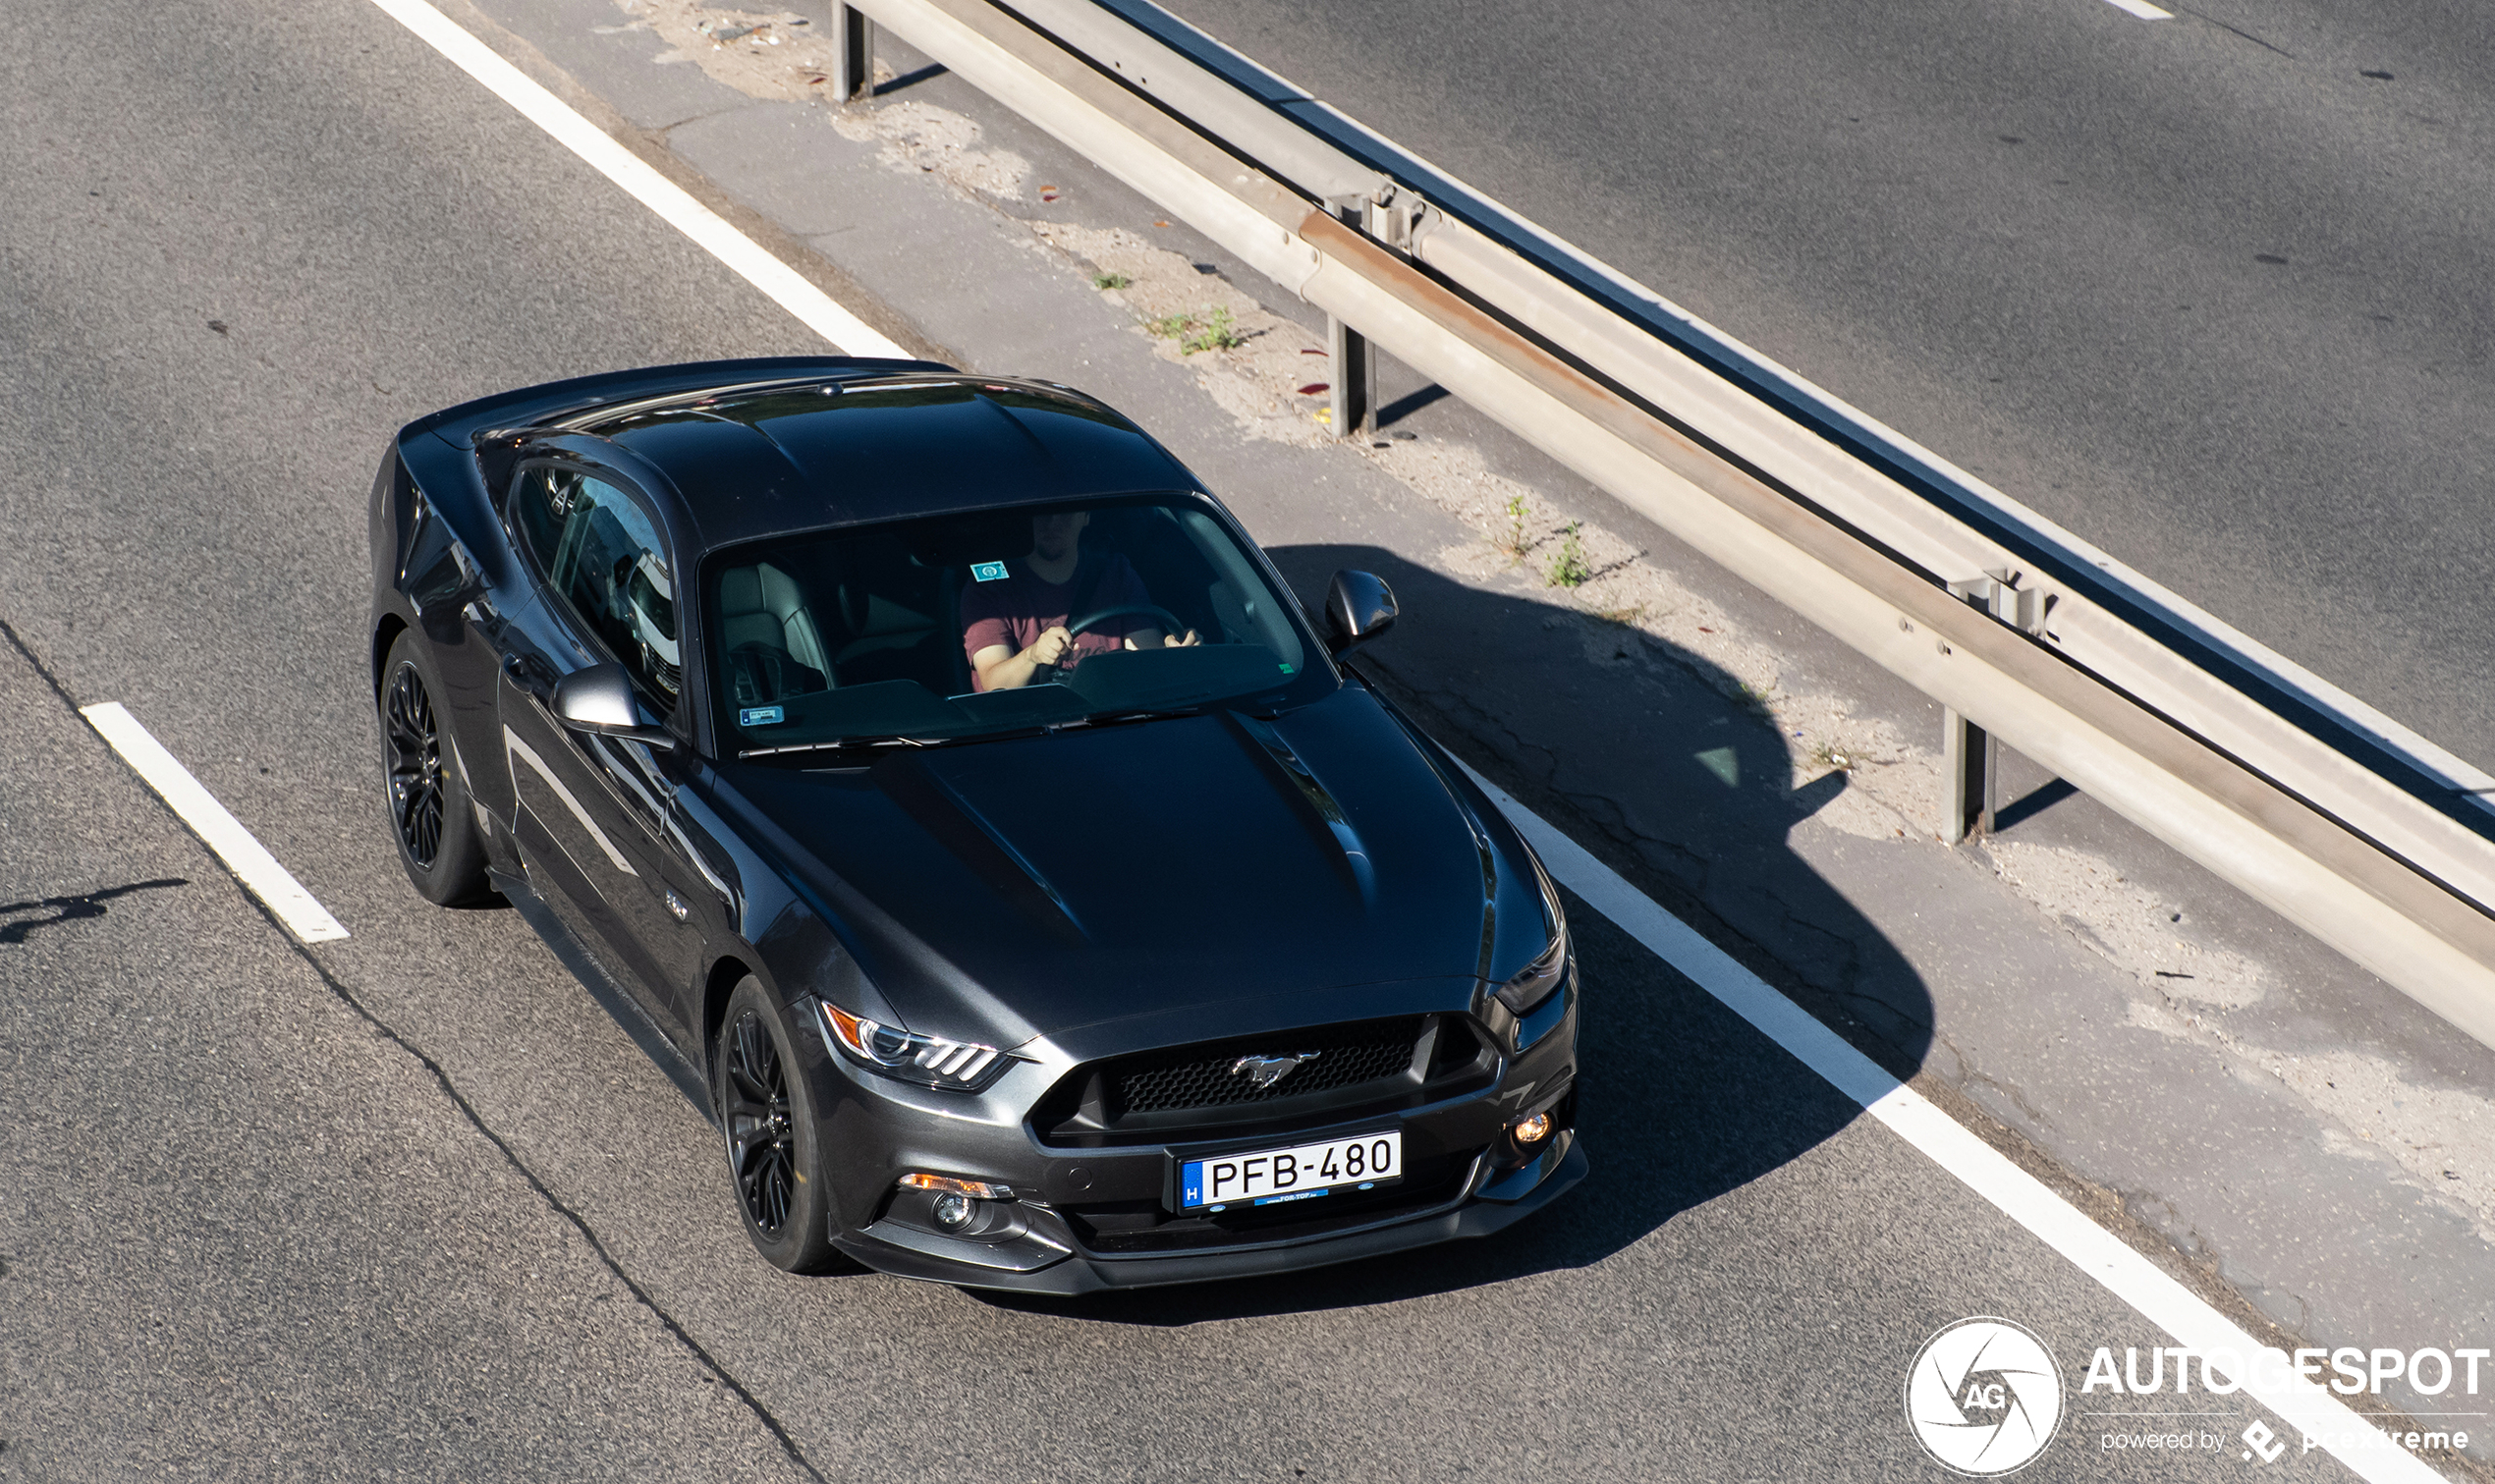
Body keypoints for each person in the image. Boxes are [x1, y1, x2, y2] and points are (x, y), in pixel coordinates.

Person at [962, 510, 1198, 691]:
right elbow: (994, 684)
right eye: (1041, 512)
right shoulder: (989, 588)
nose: (1052, 522)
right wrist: (1033, 655)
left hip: (1115, 721)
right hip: (1032, 733)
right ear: (1025, 518)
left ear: (1085, 516)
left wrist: (1172, 657)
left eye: (1064, 510)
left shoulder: (1116, 573)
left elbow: (1146, 660)